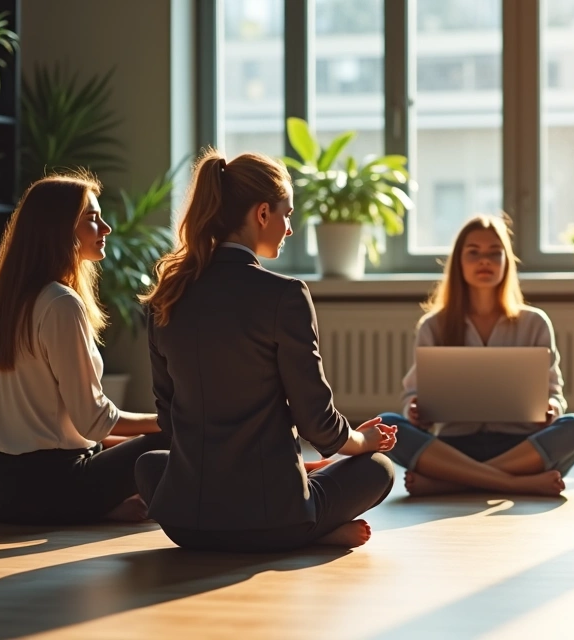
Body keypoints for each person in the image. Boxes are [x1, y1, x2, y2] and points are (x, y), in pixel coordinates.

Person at [135, 150, 396, 552]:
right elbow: (317, 421)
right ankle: (309, 533)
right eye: (286, 214)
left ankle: (303, 524)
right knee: (379, 469)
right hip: (271, 517)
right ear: (261, 214)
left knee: (148, 464)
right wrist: (363, 442)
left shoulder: (165, 298)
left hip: (187, 523)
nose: (289, 228)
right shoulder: (285, 295)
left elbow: (170, 420)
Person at [0, 173, 167, 525]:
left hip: (0, 489)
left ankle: (103, 509)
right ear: (59, 231)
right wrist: (170, 420)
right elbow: (94, 422)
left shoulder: (9, 302)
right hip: (53, 484)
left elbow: (71, 431)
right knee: (174, 435)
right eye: (92, 219)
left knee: (136, 449)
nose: (105, 228)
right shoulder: (61, 304)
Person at [378, 215, 574, 497]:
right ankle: (513, 482)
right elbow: (412, 396)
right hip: (454, 446)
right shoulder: (434, 325)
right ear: (458, 262)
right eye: (474, 253)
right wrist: (414, 412)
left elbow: (554, 394)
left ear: (506, 262)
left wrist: (551, 409)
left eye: (494, 252)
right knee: (388, 424)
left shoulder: (535, 322)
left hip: (521, 446)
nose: (485, 261)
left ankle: (451, 482)